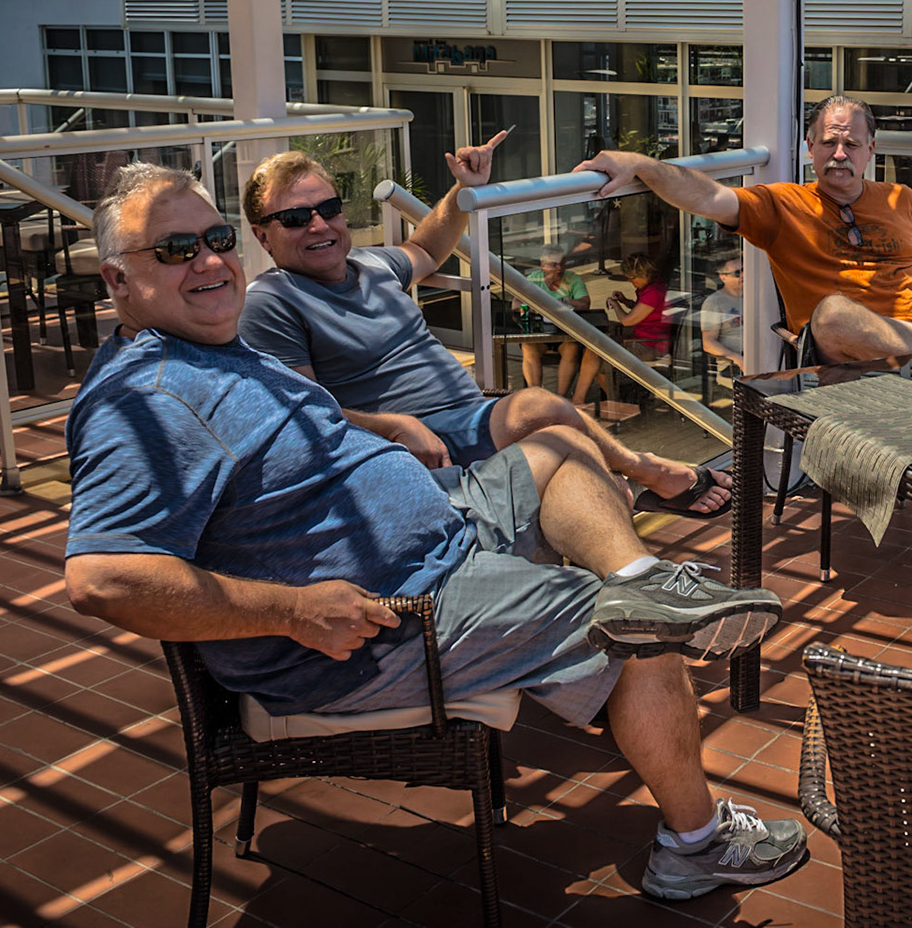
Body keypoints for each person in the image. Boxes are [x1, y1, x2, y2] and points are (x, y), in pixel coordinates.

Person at [62, 163, 808, 900]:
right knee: (639, 639)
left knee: (555, 451)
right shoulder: (146, 400)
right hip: (388, 618)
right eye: (174, 249)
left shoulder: (215, 346)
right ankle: (695, 845)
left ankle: (643, 585)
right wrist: (293, 611)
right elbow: (103, 579)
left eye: (216, 238)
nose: (210, 261)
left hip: (437, 524)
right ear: (117, 280)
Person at [573, 96, 912, 647]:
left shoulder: (902, 198)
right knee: (832, 313)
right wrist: (640, 163)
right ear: (809, 149)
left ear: (870, 150)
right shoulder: (782, 205)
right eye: (828, 141)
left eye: (852, 143)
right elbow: (706, 195)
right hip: (846, 366)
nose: (839, 153)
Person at [238, 149, 729, 515]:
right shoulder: (273, 301)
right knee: (548, 415)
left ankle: (617, 586)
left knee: (573, 452)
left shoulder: (369, 265)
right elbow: (306, 414)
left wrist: (462, 189)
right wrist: (392, 425)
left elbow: (426, 249)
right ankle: (650, 475)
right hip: (419, 444)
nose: (319, 224)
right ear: (262, 235)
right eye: (296, 218)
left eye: (329, 208)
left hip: (471, 416)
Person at [569, 252, 674, 406]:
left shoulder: (654, 292)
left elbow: (627, 320)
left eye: (632, 278)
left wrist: (615, 304)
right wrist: (625, 301)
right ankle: (617, 401)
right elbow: (644, 310)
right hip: (644, 340)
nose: (631, 282)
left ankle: (610, 402)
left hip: (649, 345)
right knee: (594, 352)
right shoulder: (653, 285)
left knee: (594, 357)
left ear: (643, 275)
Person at [520, 244, 590, 396]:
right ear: (543, 266)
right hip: (541, 333)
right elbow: (516, 302)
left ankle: (561, 398)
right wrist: (524, 307)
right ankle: (536, 396)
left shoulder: (572, 279)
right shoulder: (534, 279)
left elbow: (585, 303)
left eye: (562, 264)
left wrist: (565, 301)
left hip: (565, 333)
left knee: (572, 347)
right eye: (553, 265)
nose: (559, 269)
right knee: (528, 346)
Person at [697, 253, 746, 374]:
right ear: (723, 277)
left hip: (762, 359)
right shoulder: (714, 302)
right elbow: (708, 343)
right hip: (732, 367)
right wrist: (736, 358)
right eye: (737, 273)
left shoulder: (755, 294)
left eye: (744, 270)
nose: (743, 275)